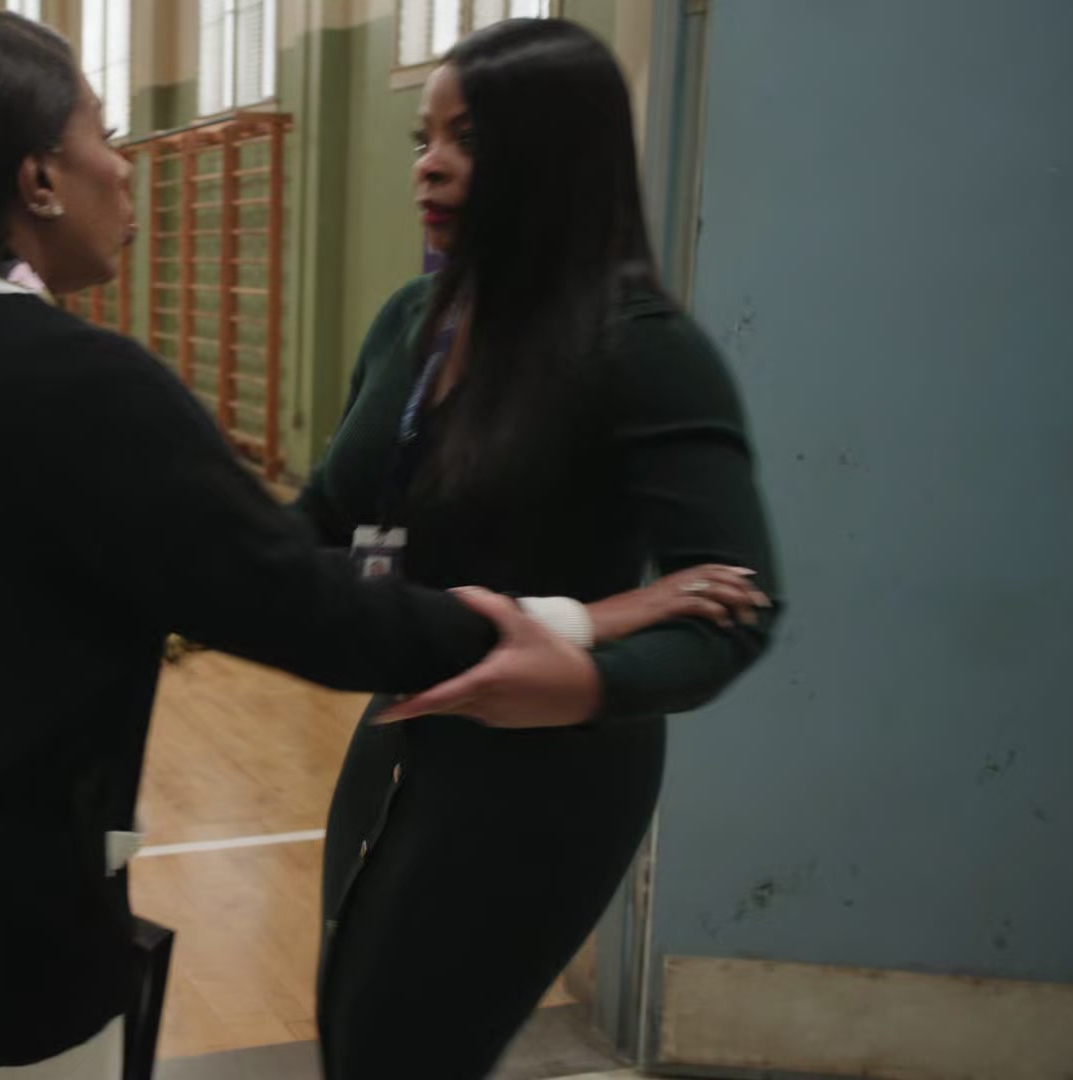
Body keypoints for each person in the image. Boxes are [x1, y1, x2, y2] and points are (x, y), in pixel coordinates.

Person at [0, 6, 605, 1077]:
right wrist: (553, 626)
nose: (123, 167)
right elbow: (298, 609)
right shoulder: (79, 382)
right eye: (104, 134)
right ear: (40, 179)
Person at [295, 18, 781, 1079]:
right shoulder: (410, 321)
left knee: (407, 1049)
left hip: (552, 768)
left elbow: (741, 607)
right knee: (357, 1024)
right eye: (424, 138)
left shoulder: (644, 349)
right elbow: (326, 520)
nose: (429, 164)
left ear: (556, 154)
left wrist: (590, 679)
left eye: (466, 139)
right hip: (409, 724)